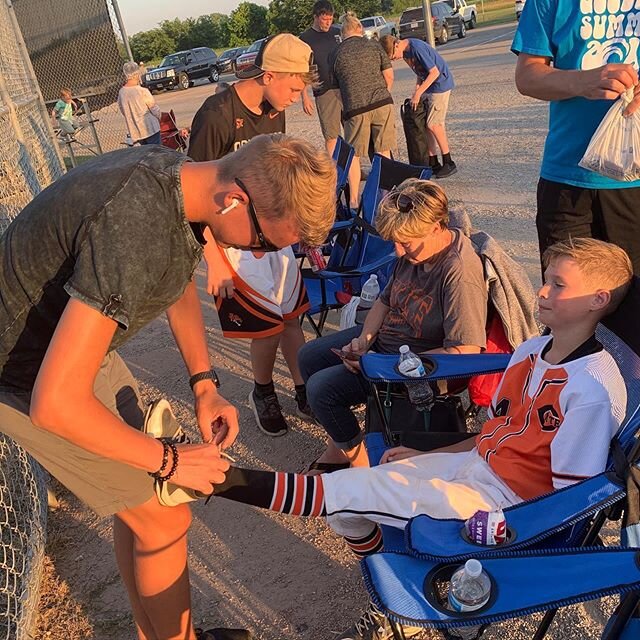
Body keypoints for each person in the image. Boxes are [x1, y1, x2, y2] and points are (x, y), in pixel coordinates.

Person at [209, 236, 632, 640]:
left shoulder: (591, 389)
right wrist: (428, 455)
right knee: (346, 511)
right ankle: (407, 594)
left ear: (597, 300)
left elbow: (570, 500)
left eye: (557, 285)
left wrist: (497, 531)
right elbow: (492, 434)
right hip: (476, 467)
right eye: (545, 278)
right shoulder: (530, 352)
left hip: (507, 511)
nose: (540, 291)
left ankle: (216, 481)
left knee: (344, 494)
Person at [0, 134, 336, 640]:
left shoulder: (182, 179)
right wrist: (172, 460)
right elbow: (55, 403)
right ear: (235, 200)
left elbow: (176, 274)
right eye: (265, 242)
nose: (258, 253)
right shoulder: (135, 225)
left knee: (140, 507)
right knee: (164, 517)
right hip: (23, 375)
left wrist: (204, 384)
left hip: (67, 349)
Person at [298, 179, 487, 471]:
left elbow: (467, 350)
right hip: (390, 342)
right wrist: (364, 340)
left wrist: (381, 365)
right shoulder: (418, 249)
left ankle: (361, 467)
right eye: (395, 242)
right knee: (308, 357)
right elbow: (384, 302)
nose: (398, 252)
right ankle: (341, 446)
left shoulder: (459, 272)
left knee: (322, 391)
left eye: (405, 243)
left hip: (416, 365)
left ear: (437, 226)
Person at [188, 34, 322, 437]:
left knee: (292, 317)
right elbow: (192, 193)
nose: (298, 97)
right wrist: (211, 258)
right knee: (266, 328)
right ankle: (262, 391)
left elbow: (277, 179)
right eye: (294, 87)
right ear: (269, 74)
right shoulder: (217, 113)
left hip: (270, 236)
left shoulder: (272, 109)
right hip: (231, 241)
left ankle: (303, 390)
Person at [512, 0, 640, 274]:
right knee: (567, 304)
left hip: (635, 178)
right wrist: (582, 82)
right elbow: (526, 76)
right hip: (568, 178)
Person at [330, 12, 396, 209]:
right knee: (383, 151)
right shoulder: (374, 45)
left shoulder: (336, 53)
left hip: (354, 110)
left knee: (355, 156)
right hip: (382, 103)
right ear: (360, 29)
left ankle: (353, 200)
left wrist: (349, 101)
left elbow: (335, 91)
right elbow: (389, 76)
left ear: (343, 33)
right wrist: (383, 95)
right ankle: (385, 195)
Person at [381, 35, 457, 178]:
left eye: (392, 56)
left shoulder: (416, 48)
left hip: (440, 85)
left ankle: (449, 161)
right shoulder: (405, 53)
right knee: (424, 124)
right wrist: (416, 92)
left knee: (434, 124)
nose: (393, 59)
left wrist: (420, 92)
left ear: (396, 45)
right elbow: (420, 73)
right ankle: (433, 162)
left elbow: (434, 72)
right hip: (429, 87)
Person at [300, 0, 343, 156]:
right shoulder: (305, 38)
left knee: (352, 132)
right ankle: (335, 173)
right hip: (324, 91)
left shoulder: (337, 32)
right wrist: (304, 96)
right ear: (316, 17)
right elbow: (302, 69)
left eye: (331, 19)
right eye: (325, 19)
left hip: (345, 87)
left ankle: (354, 170)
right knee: (332, 136)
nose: (328, 23)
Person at [118, 60, 162, 145]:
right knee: (157, 153)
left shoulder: (122, 92)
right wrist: (159, 117)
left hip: (136, 131)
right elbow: (154, 109)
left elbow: (122, 110)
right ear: (136, 74)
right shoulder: (142, 91)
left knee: (145, 153)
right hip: (150, 128)